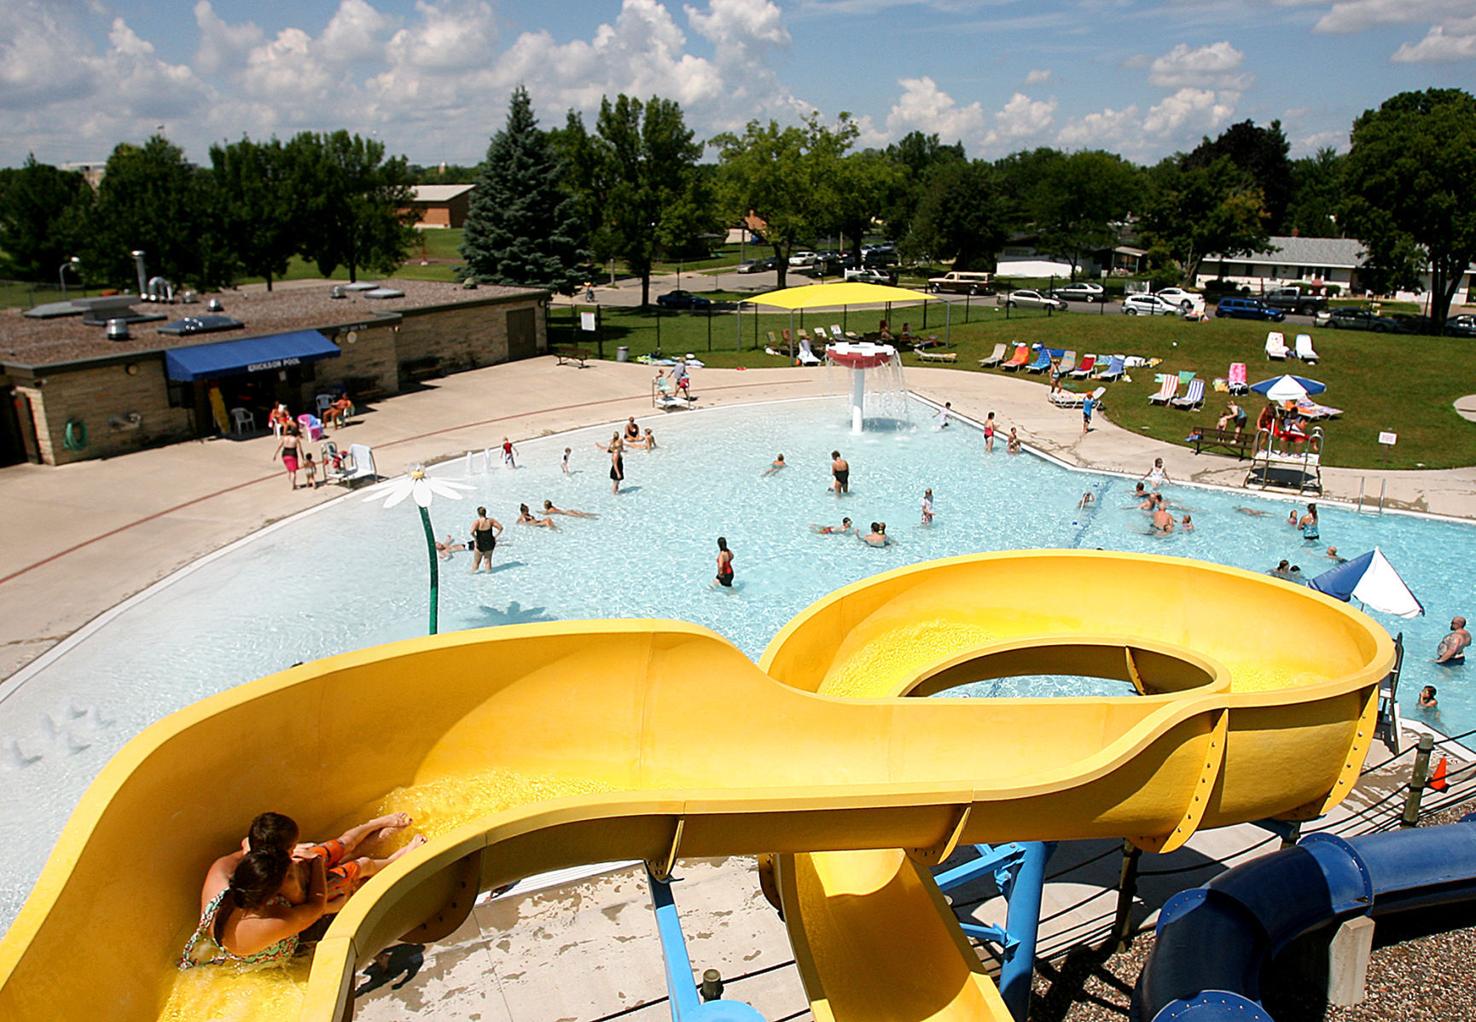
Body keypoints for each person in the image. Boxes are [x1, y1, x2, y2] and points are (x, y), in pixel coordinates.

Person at [470, 507, 503, 573]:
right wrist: (495, 537)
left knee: (476, 562)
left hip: (480, 543)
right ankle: (488, 575)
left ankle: (473, 575)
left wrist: (475, 538)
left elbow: (471, 532)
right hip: (490, 542)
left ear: (478, 513)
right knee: (488, 561)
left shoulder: (477, 522)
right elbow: (501, 528)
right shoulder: (491, 521)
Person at [274, 425, 304, 490]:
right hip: (292, 454)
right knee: (293, 472)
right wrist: (303, 458)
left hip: (284, 454)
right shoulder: (296, 439)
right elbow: (300, 450)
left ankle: (293, 483)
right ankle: (293, 486)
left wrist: (275, 455)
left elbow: (280, 446)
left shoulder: (285, 438)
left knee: (290, 470)